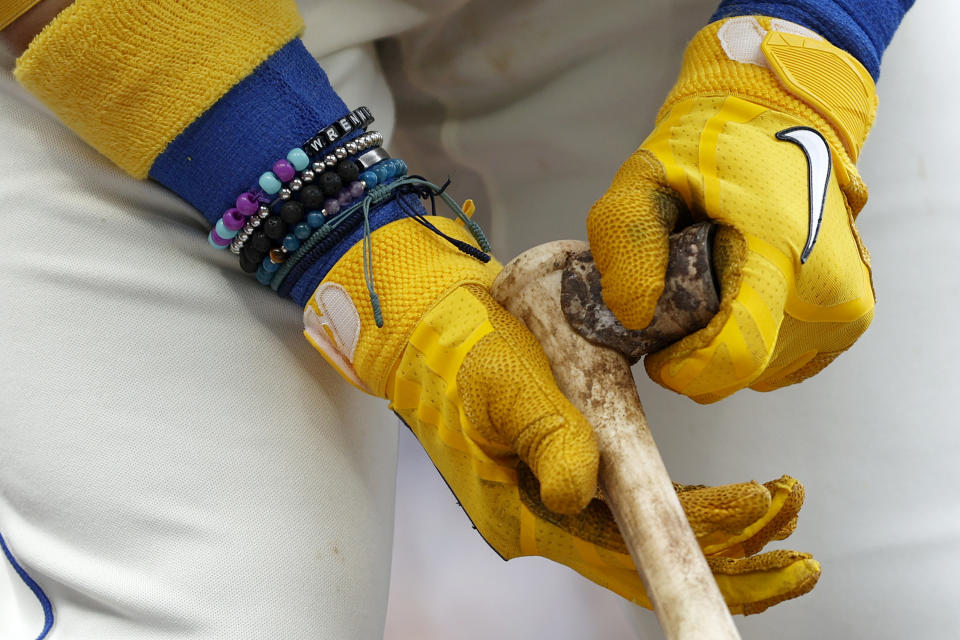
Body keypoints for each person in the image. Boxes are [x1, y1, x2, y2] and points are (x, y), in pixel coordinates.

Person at [0, 0, 918, 638]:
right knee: (214, 617)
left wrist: (797, 67)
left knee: (895, 608)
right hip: (127, 38)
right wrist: (327, 223)